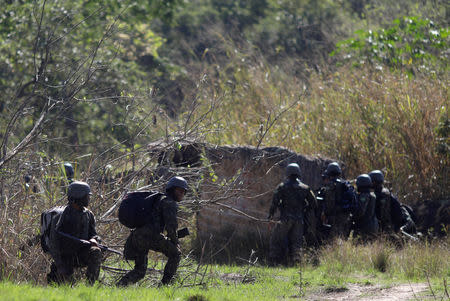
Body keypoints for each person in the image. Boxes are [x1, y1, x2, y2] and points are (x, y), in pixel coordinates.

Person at [117, 176, 188, 286]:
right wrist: (175, 242)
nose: (181, 193)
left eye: (183, 191)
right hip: (150, 236)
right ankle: (164, 286)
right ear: (172, 190)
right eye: (179, 190)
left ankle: (120, 286)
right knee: (176, 254)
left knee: (140, 271)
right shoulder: (170, 203)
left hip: (138, 235)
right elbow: (171, 227)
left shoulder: (159, 199)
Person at [47, 181, 102, 285]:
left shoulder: (89, 215)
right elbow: (53, 243)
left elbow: (94, 234)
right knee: (60, 286)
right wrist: (59, 265)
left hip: (81, 254)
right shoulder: (61, 216)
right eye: (86, 197)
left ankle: (90, 287)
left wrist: (94, 239)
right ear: (78, 197)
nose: (88, 199)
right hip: (65, 257)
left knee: (96, 252)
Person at [268, 163, 317, 266]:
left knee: (277, 240)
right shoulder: (305, 188)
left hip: (284, 218)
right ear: (298, 173)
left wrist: (270, 216)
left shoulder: (282, 187)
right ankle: (296, 263)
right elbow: (314, 203)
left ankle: (274, 261)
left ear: (288, 173)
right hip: (299, 220)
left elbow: (274, 203)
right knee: (297, 243)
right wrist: (304, 209)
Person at [369, 170, 416, 235]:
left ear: (374, 182)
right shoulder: (387, 193)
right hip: (392, 227)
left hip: (386, 228)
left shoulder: (376, 196)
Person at [317, 162, 356, 241]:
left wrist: (325, 214)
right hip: (346, 216)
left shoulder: (330, 185)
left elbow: (327, 203)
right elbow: (354, 202)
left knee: (332, 240)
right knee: (343, 238)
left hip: (334, 217)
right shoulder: (346, 184)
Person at [352, 174, 379, 240]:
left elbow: (360, 212)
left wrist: (352, 217)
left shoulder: (364, 196)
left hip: (365, 228)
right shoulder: (372, 195)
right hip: (373, 227)